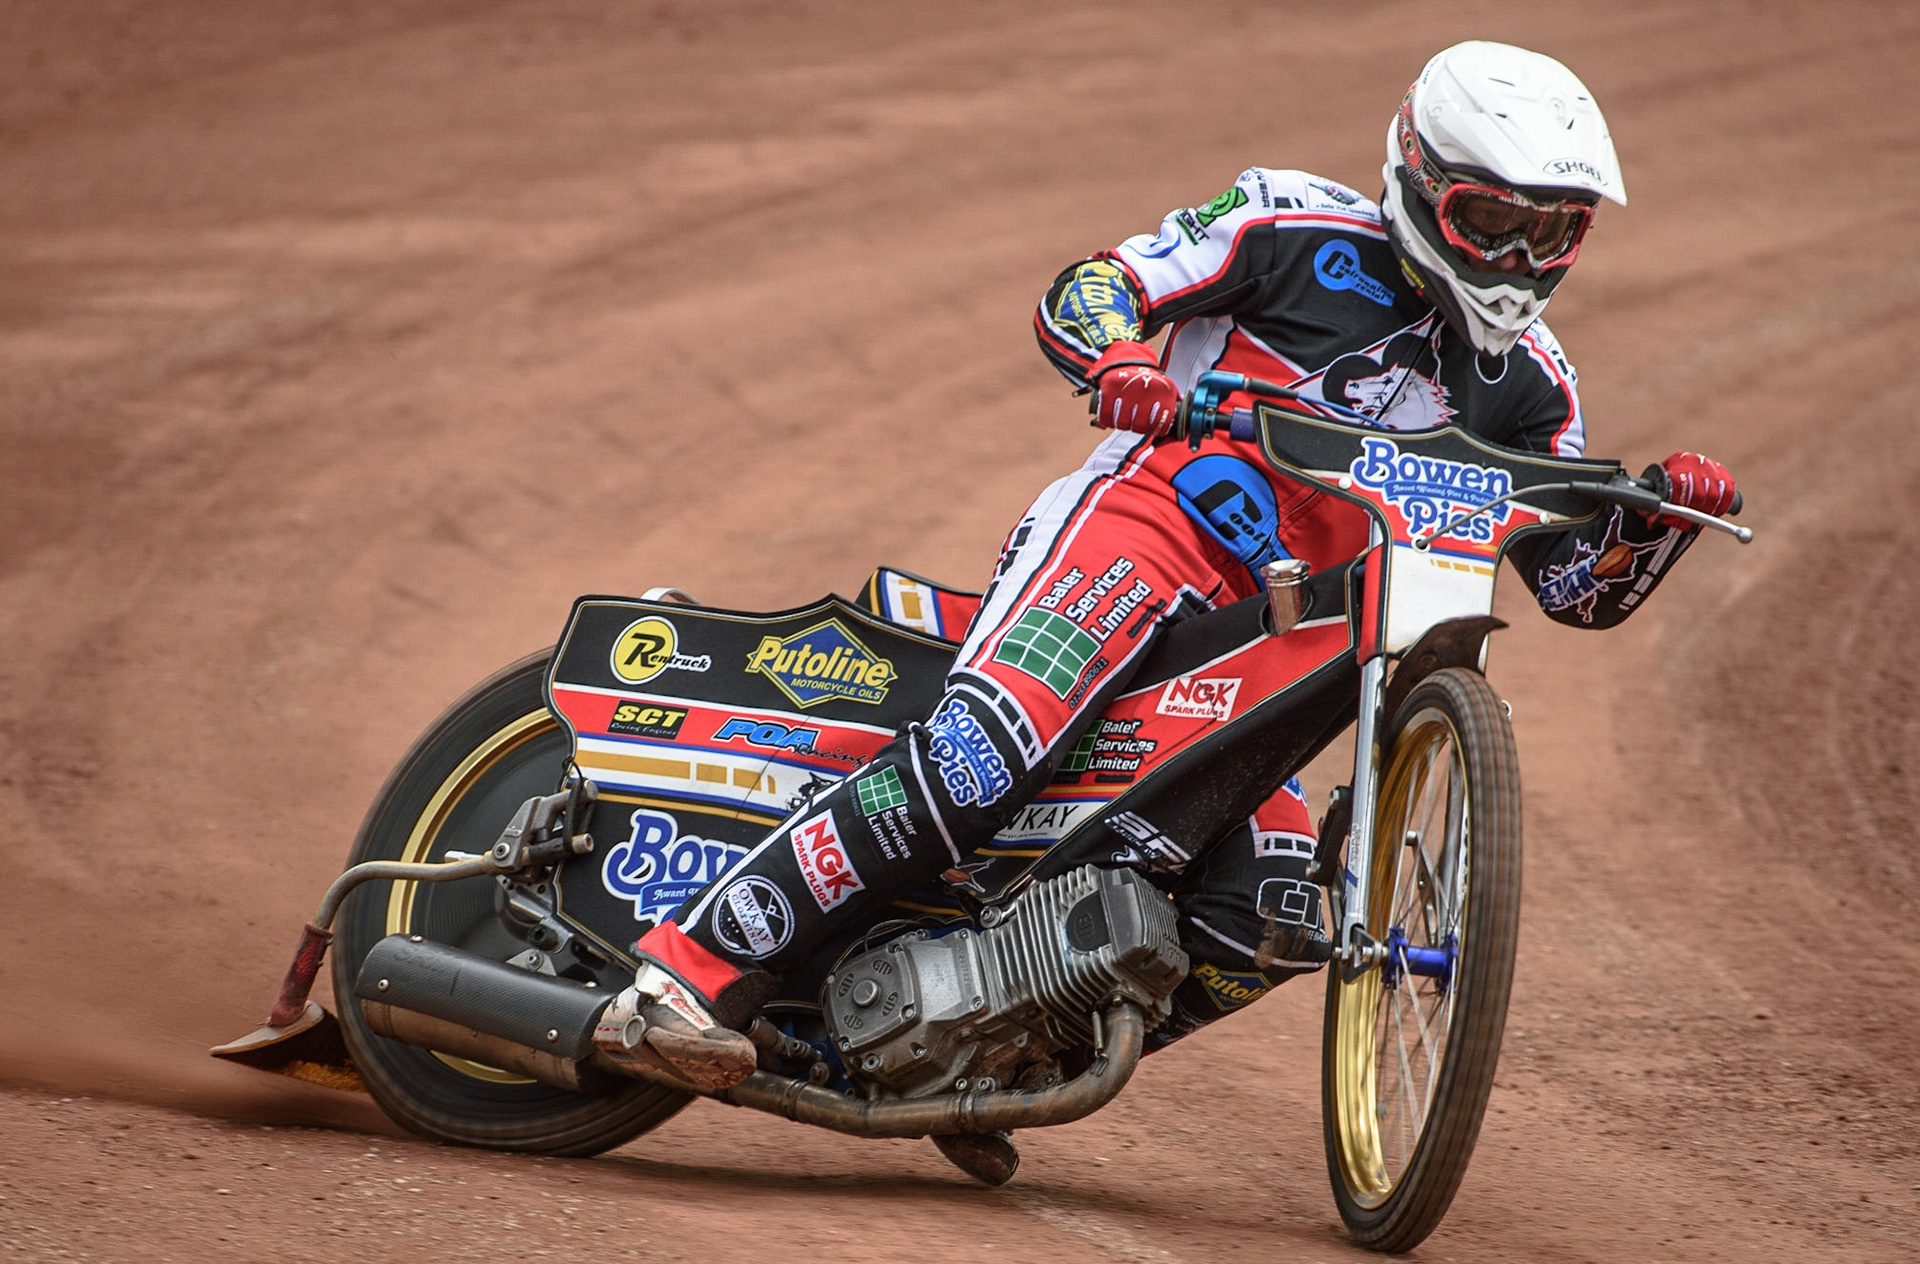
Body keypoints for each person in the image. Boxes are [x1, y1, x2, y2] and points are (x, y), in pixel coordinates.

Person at [593, 40, 1737, 1092]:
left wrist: (1657, 524)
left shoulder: (1539, 385)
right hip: (1145, 534)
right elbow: (1088, 290)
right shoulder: (1290, 226)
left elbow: (1572, 585)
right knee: (985, 749)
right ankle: (682, 967)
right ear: (1420, 176)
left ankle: (993, 1056)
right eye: (1491, 220)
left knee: (1277, 901)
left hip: (1276, 642)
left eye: (1554, 233)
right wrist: (1125, 358)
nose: (1518, 259)